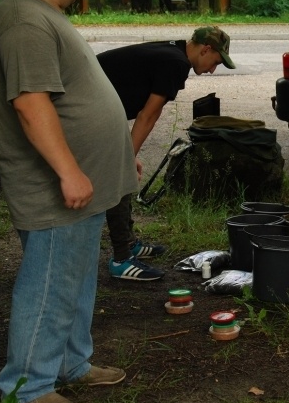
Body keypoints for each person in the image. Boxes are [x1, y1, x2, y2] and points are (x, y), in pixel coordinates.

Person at [0, 0, 137, 403]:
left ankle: (71, 362)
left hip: (80, 182)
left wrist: (110, 150)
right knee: (49, 281)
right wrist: (69, 171)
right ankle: (25, 388)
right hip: (53, 188)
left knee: (72, 278)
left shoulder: (37, 14)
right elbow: (31, 104)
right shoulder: (26, 20)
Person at [97, 26, 236, 281]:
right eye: (215, 62)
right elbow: (148, 114)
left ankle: (129, 243)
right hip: (89, 109)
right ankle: (121, 258)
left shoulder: (173, 50)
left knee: (122, 167)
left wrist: (129, 152)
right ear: (206, 49)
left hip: (103, 109)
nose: (213, 69)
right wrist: (127, 158)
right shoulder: (176, 63)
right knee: (117, 176)